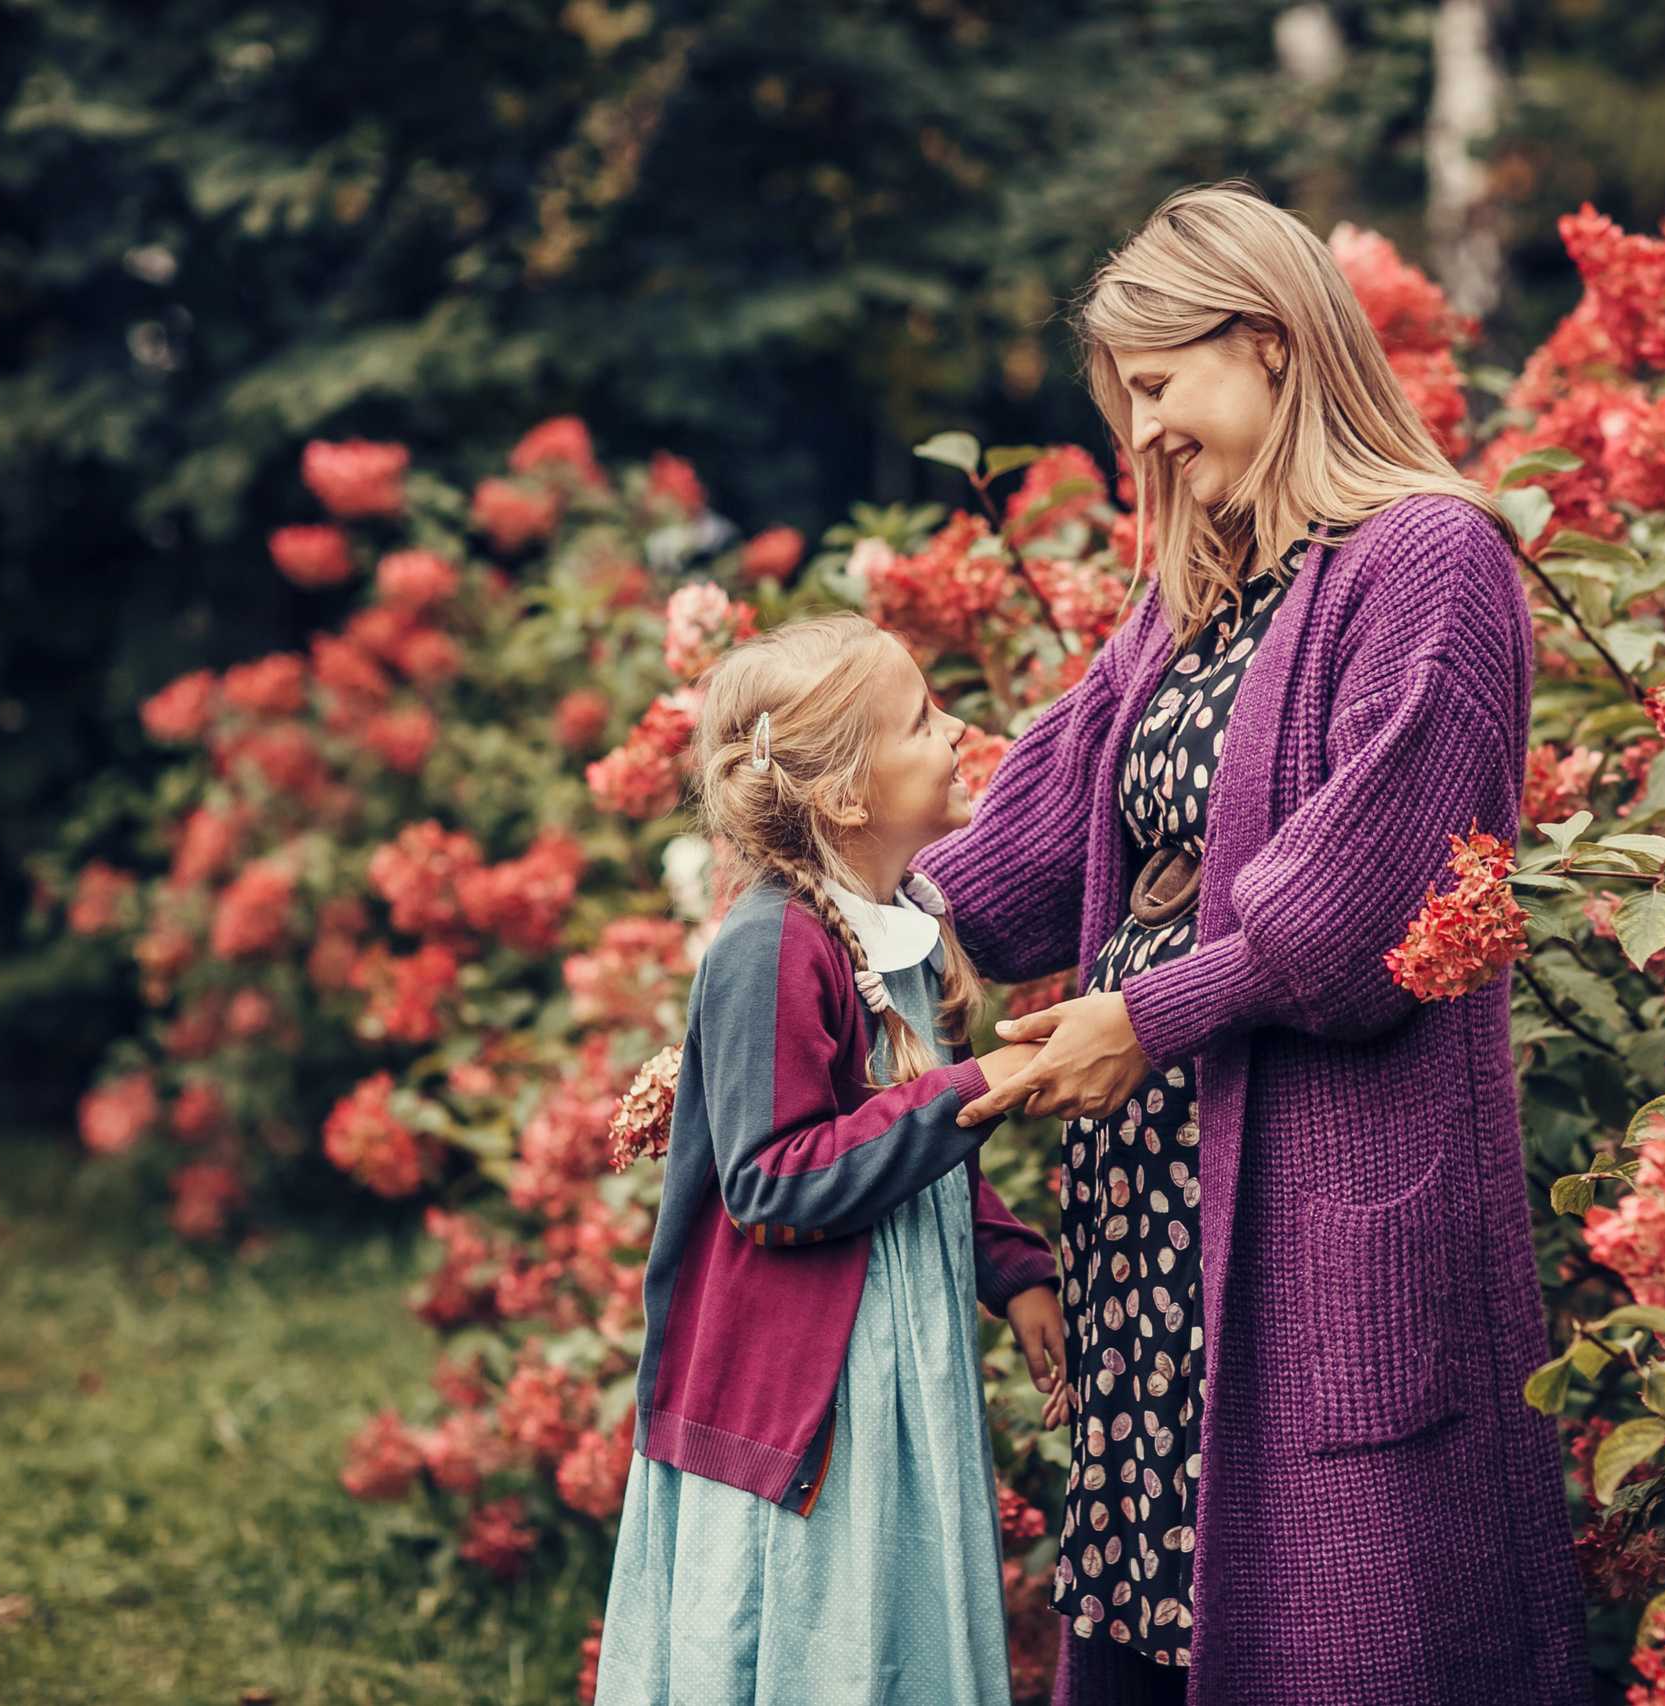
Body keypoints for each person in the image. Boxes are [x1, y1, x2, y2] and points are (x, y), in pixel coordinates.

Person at [920, 184, 1588, 1705]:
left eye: (1158, 386)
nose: (1142, 435)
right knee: (1159, 1628)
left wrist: (1147, 1019)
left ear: (1273, 344)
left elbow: (1375, 903)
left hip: (1314, 1204)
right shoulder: (1184, 609)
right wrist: (826, 946)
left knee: (1350, 1636)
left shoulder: (1429, 562)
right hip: (1152, 1223)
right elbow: (1021, 853)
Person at [595, 612, 1069, 1706]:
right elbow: (773, 1180)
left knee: (895, 1619)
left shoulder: (903, 916)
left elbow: (910, 1139)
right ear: (848, 797)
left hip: (895, 1362)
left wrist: (1012, 1262)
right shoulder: (771, 945)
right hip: (816, 1388)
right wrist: (978, 1086)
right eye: (919, 719)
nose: (954, 729)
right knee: (822, 1635)